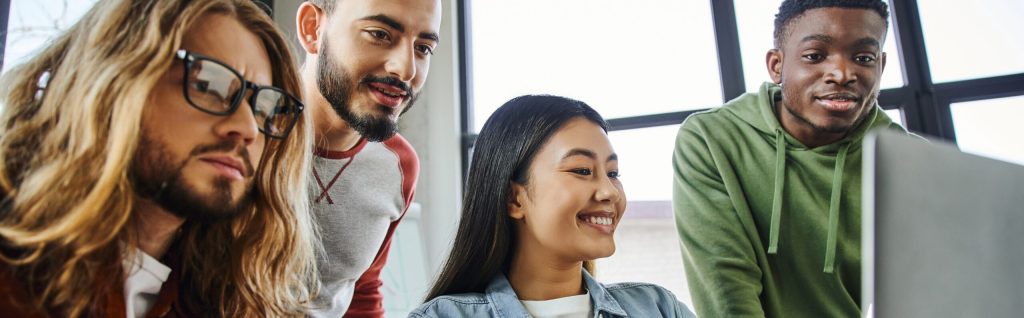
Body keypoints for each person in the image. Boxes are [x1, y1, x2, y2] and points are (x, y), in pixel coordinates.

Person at [0, 0, 317, 316]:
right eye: (208, 85)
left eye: (264, 108)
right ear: (116, 80)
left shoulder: (223, 296)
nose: (248, 128)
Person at [672, 0, 907, 317]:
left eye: (863, 58)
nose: (841, 73)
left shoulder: (903, 159)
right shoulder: (711, 139)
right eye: (815, 56)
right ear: (776, 65)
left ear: (880, 65)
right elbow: (727, 294)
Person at [412, 95, 695, 318]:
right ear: (514, 198)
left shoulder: (658, 308)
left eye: (612, 173)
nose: (609, 191)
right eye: (582, 170)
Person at [293, 0, 441, 316]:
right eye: (379, 34)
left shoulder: (399, 164)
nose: (406, 70)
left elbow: (360, 291)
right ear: (312, 29)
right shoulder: (241, 132)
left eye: (423, 48)